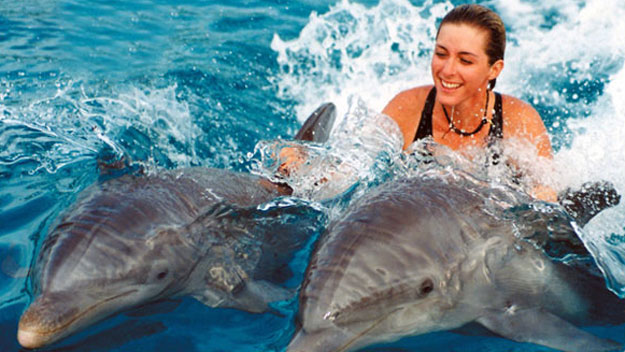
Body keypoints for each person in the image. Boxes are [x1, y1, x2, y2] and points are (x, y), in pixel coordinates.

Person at [382, 4, 557, 201]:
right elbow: (355, 171)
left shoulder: (518, 121)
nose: (447, 70)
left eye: (465, 61)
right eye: (441, 54)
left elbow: (546, 196)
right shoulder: (407, 108)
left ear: (494, 69)